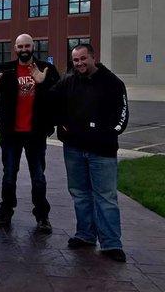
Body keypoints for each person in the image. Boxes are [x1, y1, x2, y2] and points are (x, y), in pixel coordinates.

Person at [51, 43, 128, 262]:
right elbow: (51, 101)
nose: (79, 63)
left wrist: (106, 134)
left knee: (105, 197)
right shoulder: (68, 81)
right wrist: (61, 125)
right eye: (75, 60)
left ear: (93, 57)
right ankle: (85, 235)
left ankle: (111, 243)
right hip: (74, 149)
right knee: (80, 194)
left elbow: (122, 116)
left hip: (102, 151)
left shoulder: (112, 83)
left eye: (83, 59)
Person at [0, 34, 59, 233]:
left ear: (33, 47)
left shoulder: (46, 69)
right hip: (11, 133)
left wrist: (42, 82)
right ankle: (5, 212)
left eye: (27, 46)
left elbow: (58, 96)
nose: (24, 49)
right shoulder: (5, 69)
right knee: (9, 175)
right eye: (20, 46)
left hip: (35, 133)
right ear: (14, 49)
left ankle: (42, 216)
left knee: (38, 176)